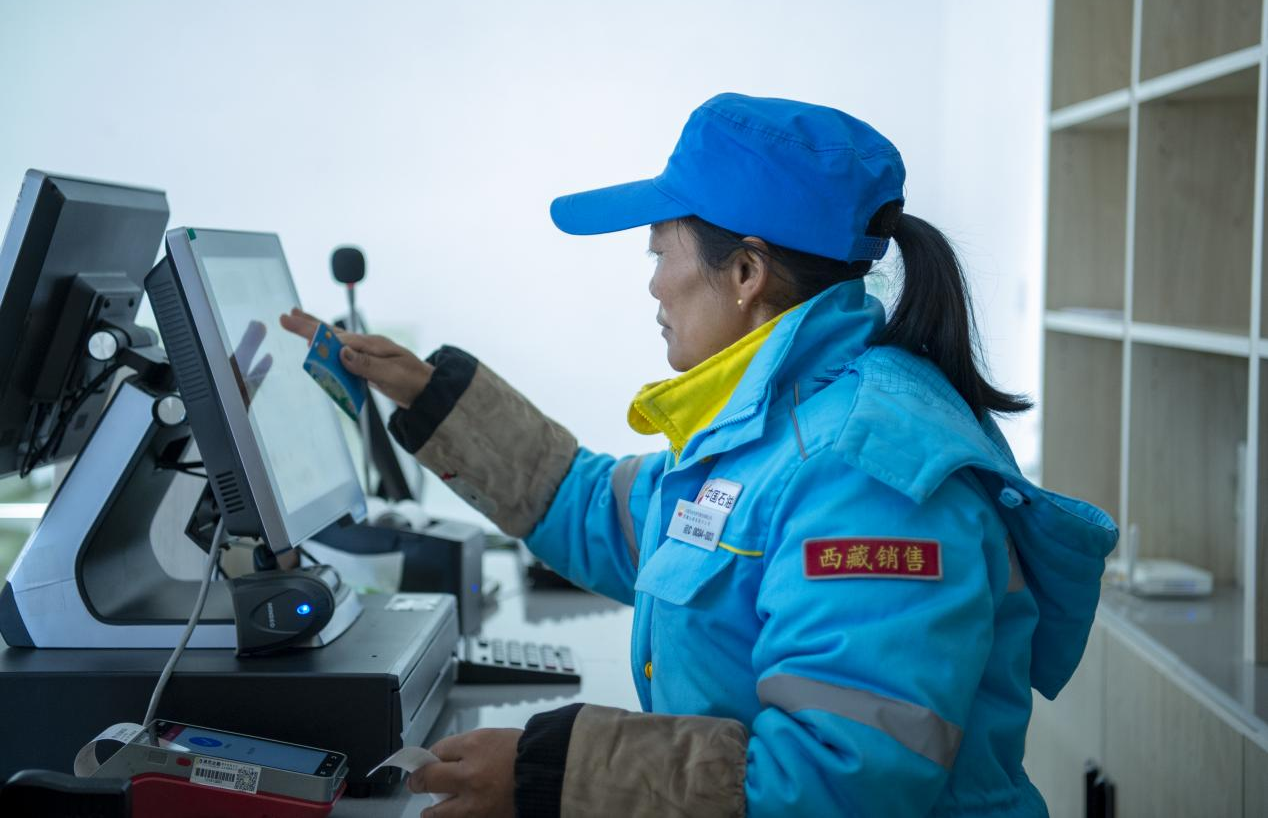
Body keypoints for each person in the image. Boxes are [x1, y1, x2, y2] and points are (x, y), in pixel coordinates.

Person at [281, 93, 1117, 818]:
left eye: (659, 253)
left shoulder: (864, 472)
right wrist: (429, 394)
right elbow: (594, 510)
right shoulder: (770, 428)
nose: (652, 284)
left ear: (746, 271)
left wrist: (550, 773)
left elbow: (834, 783)